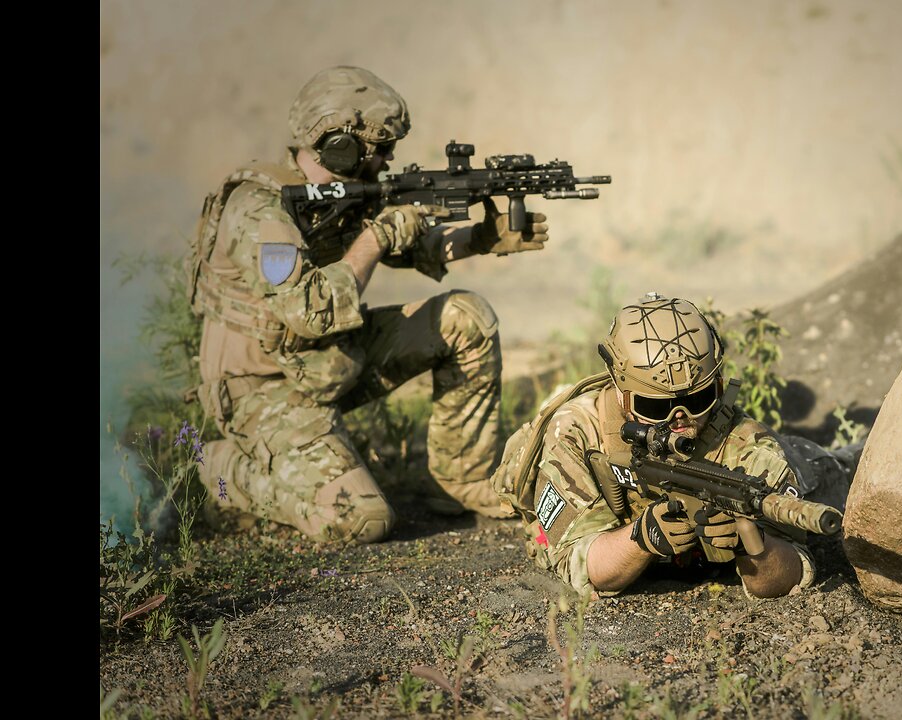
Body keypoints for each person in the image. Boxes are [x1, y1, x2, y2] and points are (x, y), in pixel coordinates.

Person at [189, 66, 548, 543]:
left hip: (328, 360)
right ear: (342, 144)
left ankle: (461, 480)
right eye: (380, 148)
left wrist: (481, 238)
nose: (389, 158)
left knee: (468, 319)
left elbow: (413, 248)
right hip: (260, 388)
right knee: (360, 520)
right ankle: (218, 469)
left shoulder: (341, 194)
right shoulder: (259, 210)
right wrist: (379, 235)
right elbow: (311, 310)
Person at [491, 294, 857, 598]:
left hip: (806, 465)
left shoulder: (747, 444)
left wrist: (753, 543)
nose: (680, 419)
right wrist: (642, 538)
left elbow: (790, 571)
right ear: (621, 391)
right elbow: (583, 567)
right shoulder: (577, 432)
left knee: (838, 469)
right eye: (655, 406)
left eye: (699, 399)